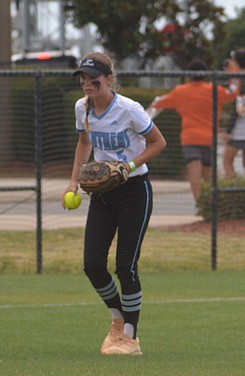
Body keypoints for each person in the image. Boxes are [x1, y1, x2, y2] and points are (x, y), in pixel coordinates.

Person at [63, 53, 167, 356]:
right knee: (93, 264)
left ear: (109, 79)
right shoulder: (81, 108)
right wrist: (73, 181)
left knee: (126, 267)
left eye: (92, 77)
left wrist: (128, 166)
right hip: (103, 193)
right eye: (82, 77)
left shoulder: (128, 109)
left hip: (135, 191)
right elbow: (84, 143)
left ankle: (131, 338)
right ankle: (119, 321)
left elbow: (158, 143)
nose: (86, 83)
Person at [148, 59, 237, 200]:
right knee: (208, 172)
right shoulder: (214, 90)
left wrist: (145, 120)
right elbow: (233, 92)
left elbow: (158, 103)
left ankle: (199, 201)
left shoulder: (180, 91)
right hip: (209, 138)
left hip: (189, 138)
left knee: (194, 169)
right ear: (205, 74)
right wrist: (233, 71)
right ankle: (212, 202)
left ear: (189, 74)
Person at [222, 49, 245, 181]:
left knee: (227, 161)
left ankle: (235, 187)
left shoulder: (238, 81)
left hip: (239, 129)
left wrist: (228, 130)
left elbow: (236, 108)